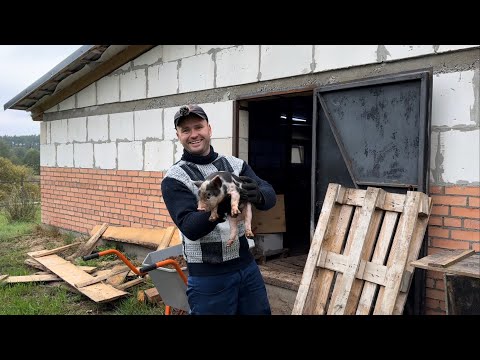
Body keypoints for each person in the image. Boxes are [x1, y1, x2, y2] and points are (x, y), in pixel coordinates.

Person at [161, 104, 276, 315]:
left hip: (247, 268)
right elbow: (191, 227)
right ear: (178, 135)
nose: (194, 134)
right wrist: (221, 206)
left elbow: (269, 194)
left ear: (209, 129)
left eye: (198, 127)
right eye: (186, 130)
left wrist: (257, 195)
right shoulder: (175, 178)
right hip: (209, 279)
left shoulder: (235, 165)